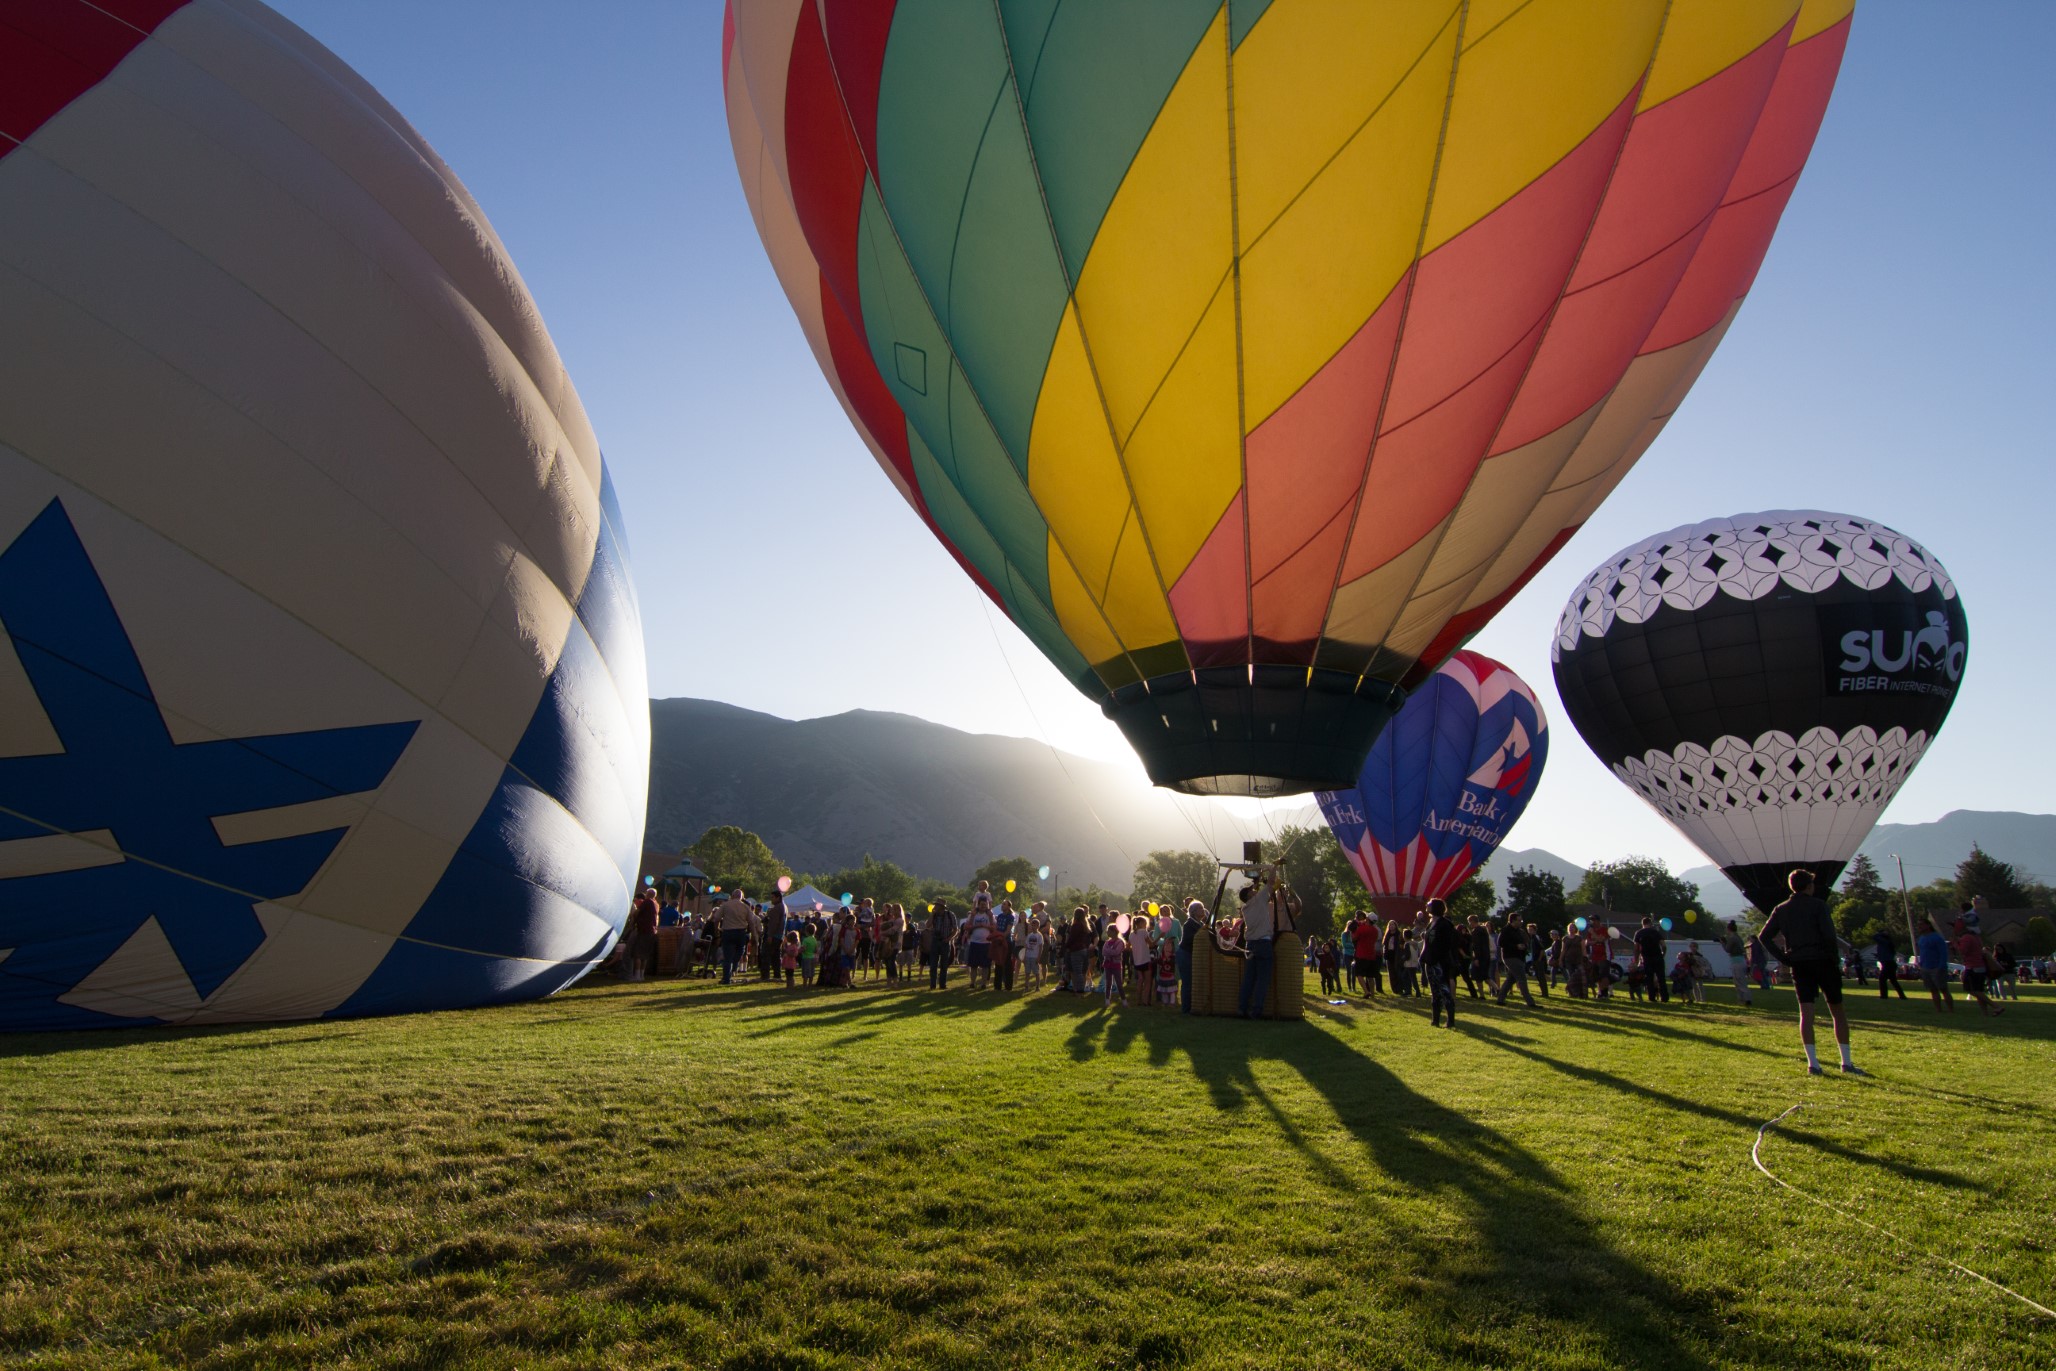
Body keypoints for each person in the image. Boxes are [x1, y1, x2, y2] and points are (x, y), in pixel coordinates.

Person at [1759, 870, 1859, 1075]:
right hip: (1822, 960)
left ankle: (1813, 1063)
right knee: (1837, 1011)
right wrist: (1833, 960)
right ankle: (1846, 1062)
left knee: (1806, 1013)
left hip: (1799, 963)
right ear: (1809, 886)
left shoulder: (1781, 909)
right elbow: (1829, 936)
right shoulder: (1818, 905)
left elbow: (1764, 936)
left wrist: (1785, 958)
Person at [1237, 868, 1299, 1020]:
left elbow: (1263, 888)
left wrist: (1257, 880)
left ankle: (1242, 1008)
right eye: (1252, 891)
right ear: (1249, 895)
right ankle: (1257, 1011)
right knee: (1263, 980)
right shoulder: (1259, 900)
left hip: (1250, 945)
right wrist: (1274, 866)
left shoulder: (1246, 908)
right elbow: (1271, 882)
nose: (1255, 891)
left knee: (1249, 979)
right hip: (1263, 944)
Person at [1952, 915, 2003, 1017]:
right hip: (1979, 966)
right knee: (1979, 991)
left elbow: (1963, 951)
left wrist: (1955, 943)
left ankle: (1996, 1006)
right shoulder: (1975, 937)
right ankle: (1985, 1013)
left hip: (1973, 967)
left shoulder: (1966, 938)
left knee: (1972, 990)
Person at [1424, 898, 1460, 1029]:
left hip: (1440, 962)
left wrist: (1441, 958)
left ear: (1435, 907)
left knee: (1444, 991)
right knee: (1434, 992)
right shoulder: (1430, 923)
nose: (1426, 905)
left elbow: (1448, 945)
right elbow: (1427, 943)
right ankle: (1435, 1020)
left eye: (1429, 904)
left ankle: (1450, 1020)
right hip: (1430, 962)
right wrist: (1424, 957)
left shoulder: (1445, 924)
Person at [714, 888, 754, 985]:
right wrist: (753, 936)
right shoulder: (745, 907)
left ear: (732, 896)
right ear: (742, 897)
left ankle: (726, 978)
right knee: (740, 952)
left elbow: (716, 918)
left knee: (727, 957)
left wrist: (717, 930)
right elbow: (751, 922)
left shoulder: (725, 905)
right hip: (741, 933)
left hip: (728, 932)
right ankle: (734, 966)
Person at [1913, 918, 1954, 1012]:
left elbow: (1943, 953)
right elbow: (1922, 952)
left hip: (1937, 967)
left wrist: (1941, 966)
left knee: (1943, 989)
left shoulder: (1937, 938)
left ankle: (1951, 1010)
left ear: (1928, 925)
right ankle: (1938, 1010)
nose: (1919, 927)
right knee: (1933, 990)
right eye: (1918, 925)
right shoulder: (1921, 939)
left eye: (1921, 925)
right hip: (1925, 968)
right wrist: (1920, 964)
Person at [1495, 919, 1535, 1007]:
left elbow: (1525, 942)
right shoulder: (1506, 930)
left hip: (1519, 957)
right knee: (1522, 979)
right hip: (1511, 957)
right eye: (1519, 920)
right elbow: (1500, 943)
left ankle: (1500, 1000)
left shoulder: (1519, 931)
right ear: (1512, 921)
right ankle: (1530, 1002)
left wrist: (1524, 946)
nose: (1521, 922)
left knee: (1510, 979)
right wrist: (1515, 946)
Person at [623, 887, 659, 982]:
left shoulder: (647, 902)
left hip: (644, 930)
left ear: (648, 894)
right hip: (653, 931)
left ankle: (636, 975)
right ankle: (641, 975)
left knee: (638, 954)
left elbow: (637, 912)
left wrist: (632, 918)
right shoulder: (656, 904)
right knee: (645, 955)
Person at [1634, 916, 1669, 1005]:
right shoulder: (1656, 932)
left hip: (1646, 958)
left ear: (1642, 924)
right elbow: (1664, 945)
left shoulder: (1639, 933)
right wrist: (1662, 954)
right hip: (1657, 957)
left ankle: (1652, 997)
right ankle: (1664, 997)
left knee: (1649, 978)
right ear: (1650, 923)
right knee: (1661, 978)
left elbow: (1636, 948)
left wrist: (1637, 960)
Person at [1178, 899, 1205, 1013]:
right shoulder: (1189, 924)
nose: (1203, 910)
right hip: (1185, 954)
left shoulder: (1200, 924)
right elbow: (1190, 939)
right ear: (1193, 911)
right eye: (1200, 908)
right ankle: (1186, 1008)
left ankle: (1192, 1006)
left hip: (1193, 955)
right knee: (1187, 982)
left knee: (1192, 981)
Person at [1348, 913, 1383, 996]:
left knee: (1359, 974)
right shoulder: (1375, 930)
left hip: (1361, 954)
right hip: (1371, 954)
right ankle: (1373, 993)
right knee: (1370, 976)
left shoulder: (1362, 929)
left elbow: (1354, 937)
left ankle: (1366, 991)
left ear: (1367, 919)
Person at [1721, 920, 1752, 1006]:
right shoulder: (1738, 937)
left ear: (1728, 929)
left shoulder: (1732, 938)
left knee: (1739, 981)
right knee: (1742, 980)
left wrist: (1723, 943)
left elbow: (1728, 949)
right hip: (1741, 960)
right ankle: (1743, 999)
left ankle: (1745, 999)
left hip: (1736, 961)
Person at [928, 901, 958, 989]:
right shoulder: (934, 915)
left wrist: (949, 939)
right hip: (935, 941)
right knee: (933, 965)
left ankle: (942, 984)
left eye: (936, 905)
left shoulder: (950, 915)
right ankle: (932, 985)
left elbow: (955, 929)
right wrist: (932, 915)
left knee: (944, 965)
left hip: (945, 942)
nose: (935, 907)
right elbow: (927, 925)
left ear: (941, 906)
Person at [1872, 928, 1907, 1000]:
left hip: (1887, 963)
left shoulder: (1883, 942)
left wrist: (1881, 933)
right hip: (1891, 963)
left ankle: (1884, 996)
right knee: (1893, 980)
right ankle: (1902, 996)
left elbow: (1874, 936)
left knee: (1882, 979)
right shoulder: (1888, 942)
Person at [1100, 922, 1125, 1007]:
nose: (1107, 932)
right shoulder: (1107, 942)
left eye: (1109, 931)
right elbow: (1103, 952)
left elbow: (1117, 952)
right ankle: (1107, 999)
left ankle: (1123, 999)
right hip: (1108, 964)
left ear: (1114, 932)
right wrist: (1111, 952)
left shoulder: (1120, 942)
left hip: (1116, 964)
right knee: (1108, 982)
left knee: (1119, 983)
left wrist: (1109, 952)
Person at [1023, 920, 1045, 991]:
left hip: (1035, 956)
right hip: (1028, 956)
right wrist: (1024, 956)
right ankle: (1026, 986)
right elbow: (1026, 946)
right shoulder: (1029, 935)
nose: (1033, 927)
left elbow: (1041, 947)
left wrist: (1039, 957)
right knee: (1027, 972)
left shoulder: (1039, 936)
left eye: (1035, 925)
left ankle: (1037, 986)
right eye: (1032, 925)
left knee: (1036, 972)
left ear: (1038, 926)